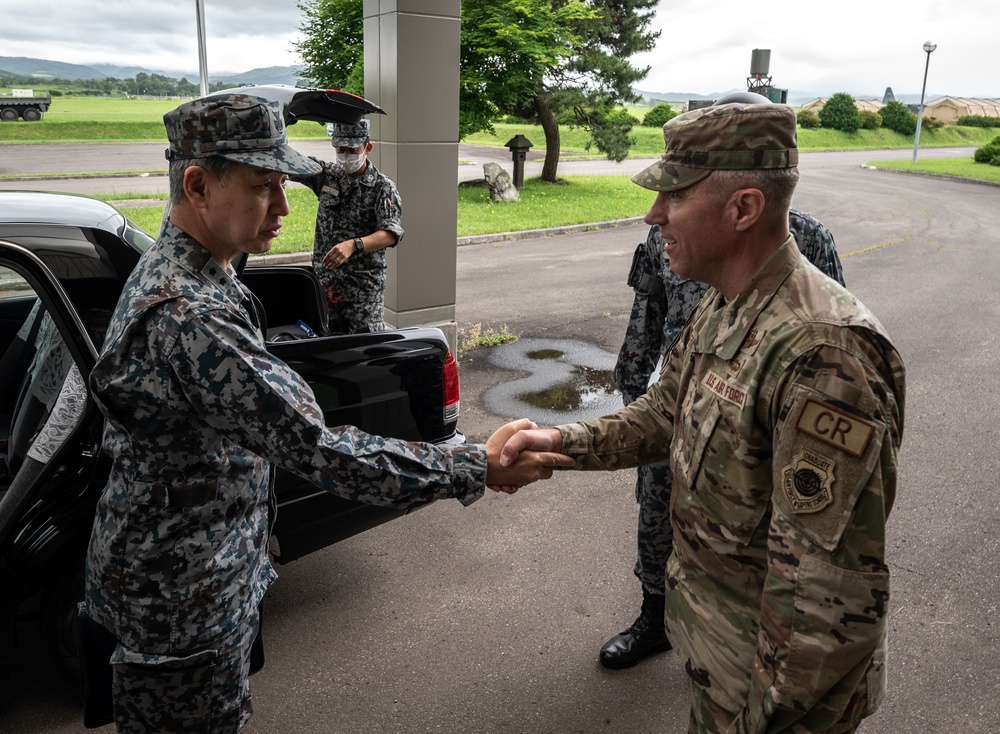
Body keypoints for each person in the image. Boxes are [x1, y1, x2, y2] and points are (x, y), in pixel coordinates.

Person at [82, 93, 569, 734]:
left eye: (285, 184)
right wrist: (474, 464)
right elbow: (317, 450)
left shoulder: (198, 273)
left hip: (197, 576)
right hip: (180, 604)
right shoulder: (191, 314)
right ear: (198, 185)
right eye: (263, 187)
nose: (285, 206)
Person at [498, 102, 905, 733]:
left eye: (673, 197)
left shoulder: (826, 354)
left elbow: (825, 596)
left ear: (743, 209)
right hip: (719, 651)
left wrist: (764, 719)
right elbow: (666, 411)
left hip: (774, 694)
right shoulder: (727, 304)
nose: (652, 214)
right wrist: (557, 438)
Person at [605, 210, 845, 669]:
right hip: (678, 404)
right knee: (657, 512)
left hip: (755, 420)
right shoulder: (666, 237)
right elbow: (646, 318)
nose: (659, 208)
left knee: (752, 533)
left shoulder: (809, 237)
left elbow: (828, 335)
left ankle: (750, 640)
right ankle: (655, 617)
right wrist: (635, 393)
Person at [292, 118, 402, 333]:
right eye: (340, 149)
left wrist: (354, 244)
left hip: (362, 293)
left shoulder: (382, 187)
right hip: (327, 286)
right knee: (329, 344)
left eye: (352, 149)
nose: (345, 155)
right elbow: (290, 165)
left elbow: (390, 233)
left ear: (367, 148)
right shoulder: (328, 177)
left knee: (364, 350)